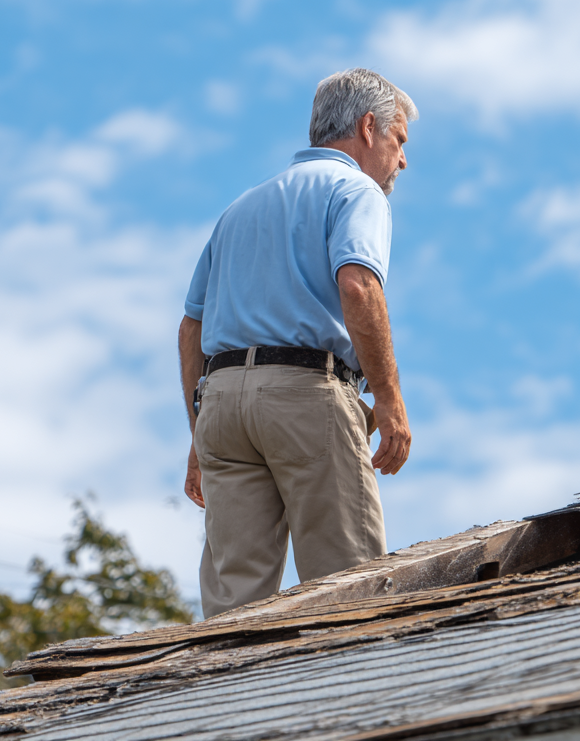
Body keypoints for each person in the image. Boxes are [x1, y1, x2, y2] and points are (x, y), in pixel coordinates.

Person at [178, 68, 415, 618]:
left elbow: (192, 328)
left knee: (233, 610)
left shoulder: (240, 208)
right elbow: (358, 286)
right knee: (347, 589)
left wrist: (200, 432)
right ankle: (352, 702)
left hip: (222, 409)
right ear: (368, 126)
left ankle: (225, 703)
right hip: (304, 395)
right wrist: (388, 398)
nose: (402, 160)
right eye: (399, 142)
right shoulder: (356, 190)